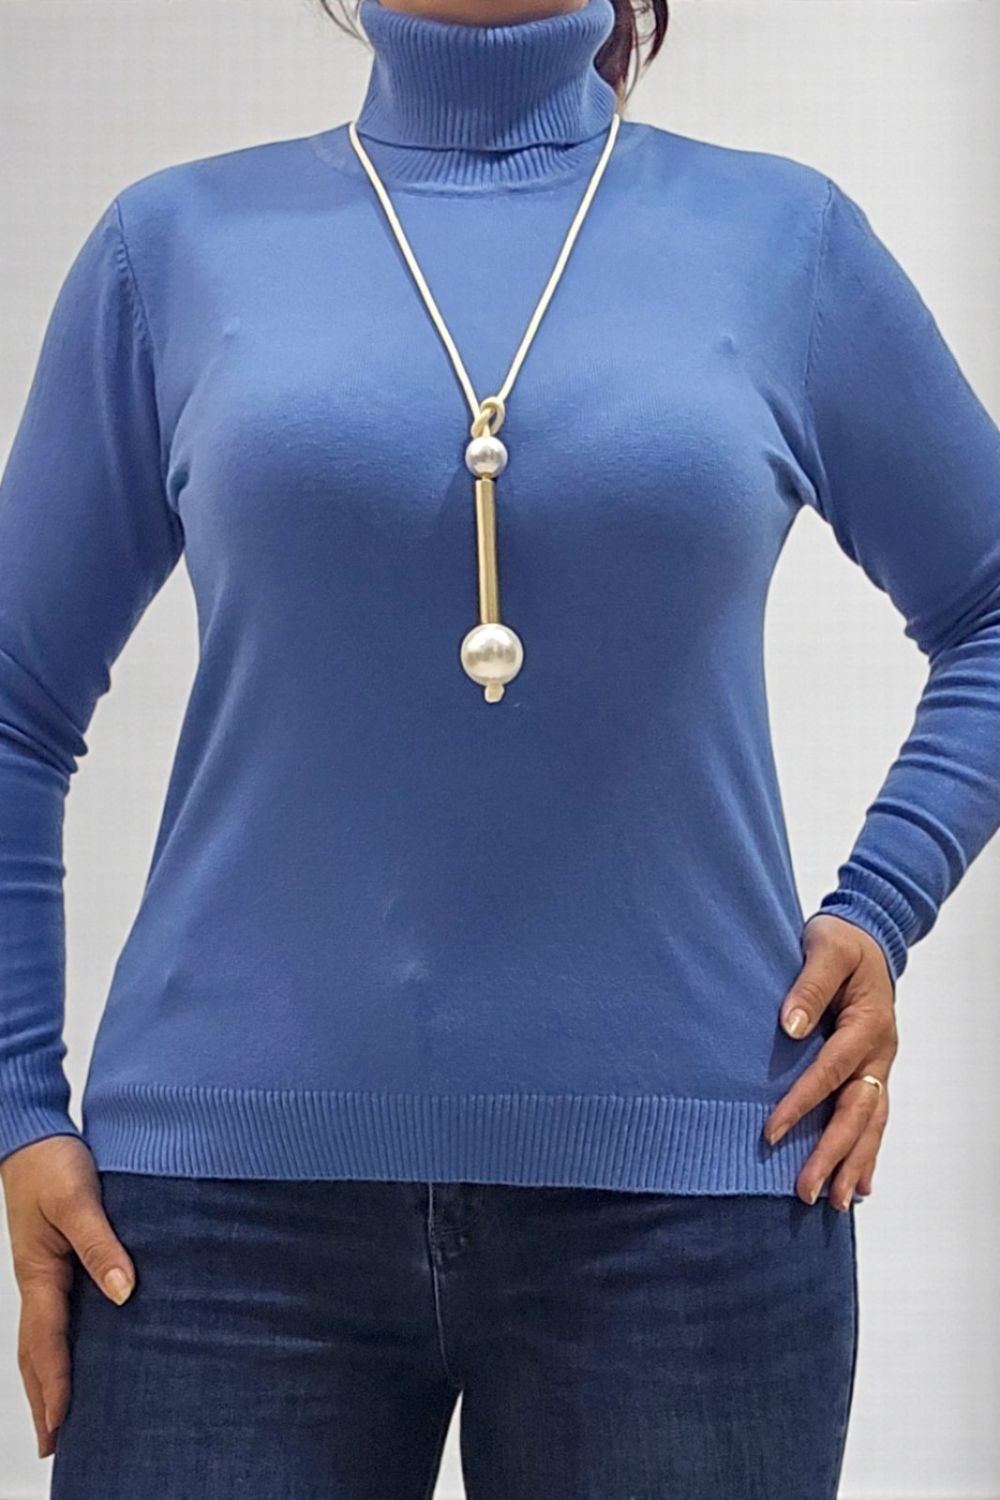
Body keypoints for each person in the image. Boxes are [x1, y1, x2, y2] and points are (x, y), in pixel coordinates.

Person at [1, 0, 998, 1493]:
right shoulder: (173, 246)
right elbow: (16, 700)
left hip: (693, 1210)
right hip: (216, 1228)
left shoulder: (786, 242)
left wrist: (884, 903)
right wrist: (16, 1102)